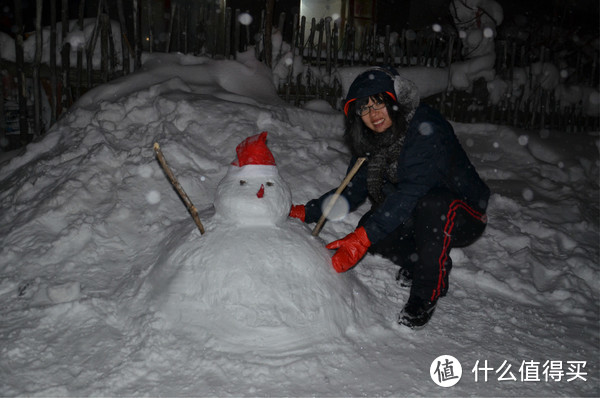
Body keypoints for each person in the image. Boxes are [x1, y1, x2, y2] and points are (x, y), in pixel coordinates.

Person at [289, 66, 490, 329]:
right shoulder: (371, 143)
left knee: (430, 205)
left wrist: (363, 238)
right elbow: (351, 190)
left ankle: (427, 290)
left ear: (394, 101)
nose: (373, 115)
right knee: (374, 223)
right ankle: (419, 260)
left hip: (464, 211)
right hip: (419, 208)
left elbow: (413, 190)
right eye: (364, 108)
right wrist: (310, 211)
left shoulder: (425, 125)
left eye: (379, 103)